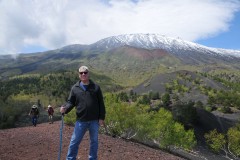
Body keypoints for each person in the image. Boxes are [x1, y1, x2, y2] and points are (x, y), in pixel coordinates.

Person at [60, 65, 106, 160]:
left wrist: (101, 118)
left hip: (94, 120)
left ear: (88, 74)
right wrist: (65, 109)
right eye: (81, 73)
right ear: (79, 75)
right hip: (81, 120)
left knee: (94, 142)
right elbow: (71, 102)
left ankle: (92, 158)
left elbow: (101, 103)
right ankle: (70, 158)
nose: (83, 74)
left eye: (85, 72)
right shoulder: (75, 88)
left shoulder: (96, 87)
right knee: (74, 142)